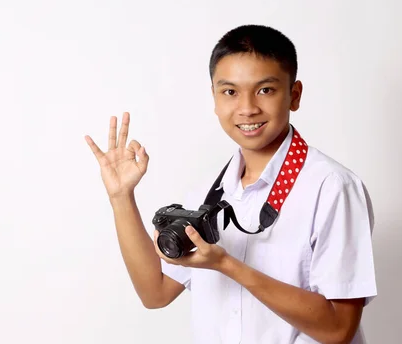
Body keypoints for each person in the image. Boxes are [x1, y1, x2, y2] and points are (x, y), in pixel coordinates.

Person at [85, 25, 377, 344]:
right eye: (230, 92)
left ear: (294, 95)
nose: (247, 108)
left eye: (265, 90)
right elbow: (155, 293)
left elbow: (339, 328)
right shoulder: (207, 192)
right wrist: (121, 197)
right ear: (214, 98)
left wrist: (227, 264)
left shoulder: (332, 187)